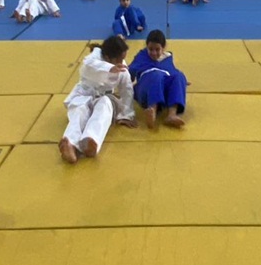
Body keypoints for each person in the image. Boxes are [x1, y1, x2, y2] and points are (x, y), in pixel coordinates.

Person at [60, 36, 137, 164]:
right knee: (80, 110)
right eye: (119, 58)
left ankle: (91, 140)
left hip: (104, 96)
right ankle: (70, 144)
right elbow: (88, 65)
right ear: (107, 57)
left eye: (123, 58)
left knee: (105, 107)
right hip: (84, 94)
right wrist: (109, 68)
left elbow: (127, 90)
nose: (122, 61)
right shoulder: (93, 58)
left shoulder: (122, 68)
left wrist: (126, 114)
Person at [128, 29, 187, 129]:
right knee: (156, 75)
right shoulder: (141, 56)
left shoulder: (167, 58)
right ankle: (152, 110)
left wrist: (182, 81)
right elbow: (130, 72)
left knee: (179, 76)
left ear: (163, 48)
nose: (154, 53)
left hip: (163, 92)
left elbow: (173, 73)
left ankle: (172, 114)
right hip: (146, 90)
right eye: (150, 49)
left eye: (157, 49)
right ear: (146, 47)